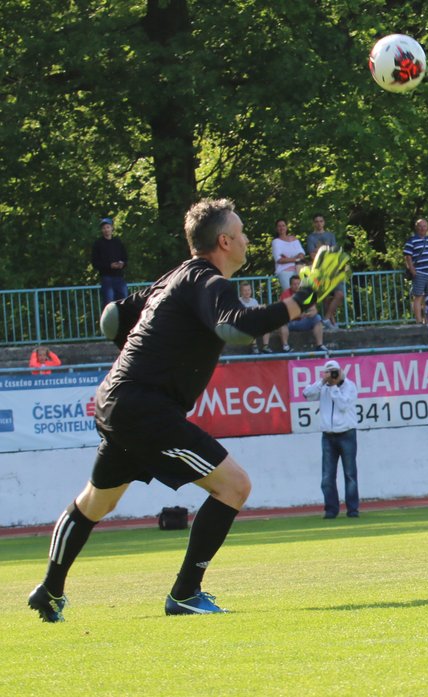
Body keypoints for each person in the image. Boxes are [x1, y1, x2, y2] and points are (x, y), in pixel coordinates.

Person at [28, 197, 332, 621]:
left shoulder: (175, 277)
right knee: (235, 487)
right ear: (224, 241)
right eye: (241, 233)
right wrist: (300, 301)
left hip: (117, 400)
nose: (247, 239)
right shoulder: (210, 282)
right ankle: (186, 592)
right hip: (146, 408)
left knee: (95, 502)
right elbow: (235, 327)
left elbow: (112, 318)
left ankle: (49, 589)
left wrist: (146, 351)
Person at [302, 359, 360, 518]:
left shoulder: (349, 386)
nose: (332, 375)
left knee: (350, 474)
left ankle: (353, 510)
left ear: (341, 371)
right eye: (329, 372)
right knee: (327, 476)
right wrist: (322, 381)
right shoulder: (324, 386)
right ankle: (331, 510)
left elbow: (343, 405)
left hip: (347, 433)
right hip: (328, 435)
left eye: (335, 371)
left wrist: (334, 386)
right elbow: (306, 394)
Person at [306, 213, 345, 330]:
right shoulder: (311, 237)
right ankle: (332, 323)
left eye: (321, 221)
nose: (319, 224)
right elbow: (313, 255)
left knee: (339, 295)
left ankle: (326, 318)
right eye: (316, 221)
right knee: (326, 298)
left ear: (324, 222)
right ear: (314, 223)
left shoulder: (330, 235)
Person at [279, 275, 329, 353]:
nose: (296, 286)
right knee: (281, 320)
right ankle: (285, 346)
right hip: (290, 322)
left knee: (317, 318)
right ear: (290, 285)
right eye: (294, 284)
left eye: (298, 284)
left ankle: (320, 345)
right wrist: (298, 314)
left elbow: (314, 310)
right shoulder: (286, 294)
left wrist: (310, 314)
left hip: (303, 321)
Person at [403, 218, 428, 324]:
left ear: (427, 228)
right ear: (416, 227)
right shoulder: (412, 240)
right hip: (420, 273)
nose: (422, 228)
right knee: (418, 297)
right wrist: (412, 270)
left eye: (424, 226)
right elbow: (407, 256)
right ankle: (418, 321)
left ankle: (427, 320)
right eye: (420, 226)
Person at [91, 217, 128, 308]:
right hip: (106, 277)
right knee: (109, 302)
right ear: (101, 230)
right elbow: (95, 263)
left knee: (124, 300)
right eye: (104, 228)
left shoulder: (118, 242)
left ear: (112, 228)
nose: (106, 230)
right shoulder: (98, 244)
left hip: (119, 276)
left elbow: (125, 257)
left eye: (108, 227)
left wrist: (122, 264)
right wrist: (109, 266)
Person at [271, 218, 306, 293]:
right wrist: (296, 259)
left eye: (283, 225)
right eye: (279, 226)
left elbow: (301, 253)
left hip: (298, 269)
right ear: (276, 228)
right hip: (284, 271)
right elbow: (279, 260)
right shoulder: (276, 242)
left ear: (286, 227)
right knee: (289, 294)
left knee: (302, 293)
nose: (281, 228)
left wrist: (289, 259)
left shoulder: (294, 239)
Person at [238, 282, 273, 353]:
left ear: (251, 291)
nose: (247, 292)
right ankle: (254, 346)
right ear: (241, 292)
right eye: (245, 290)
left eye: (248, 290)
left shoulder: (254, 301)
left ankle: (265, 346)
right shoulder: (238, 301)